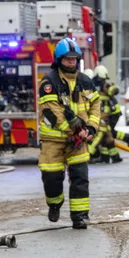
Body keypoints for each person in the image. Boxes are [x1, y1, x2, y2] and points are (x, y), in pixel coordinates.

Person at [38, 38, 99, 228]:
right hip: (54, 140)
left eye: (74, 58)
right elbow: (51, 112)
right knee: (52, 178)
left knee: (80, 177)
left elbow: (95, 106)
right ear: (59, 60)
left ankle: (79, 216)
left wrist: (91, 129)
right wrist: (72, 131)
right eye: (67, 59)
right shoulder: (49, 82)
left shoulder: (85, 82)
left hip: (79, 141)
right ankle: (54, 204)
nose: (71, 62)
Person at [89, 65, 129, 163]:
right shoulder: (99, 84)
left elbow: (113, 90)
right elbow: (112, 91)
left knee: (105, 135)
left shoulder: (95, 84)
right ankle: (111, 156)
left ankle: (111, 156)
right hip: (102, 113)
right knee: (104, 136)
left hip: (104, 113)